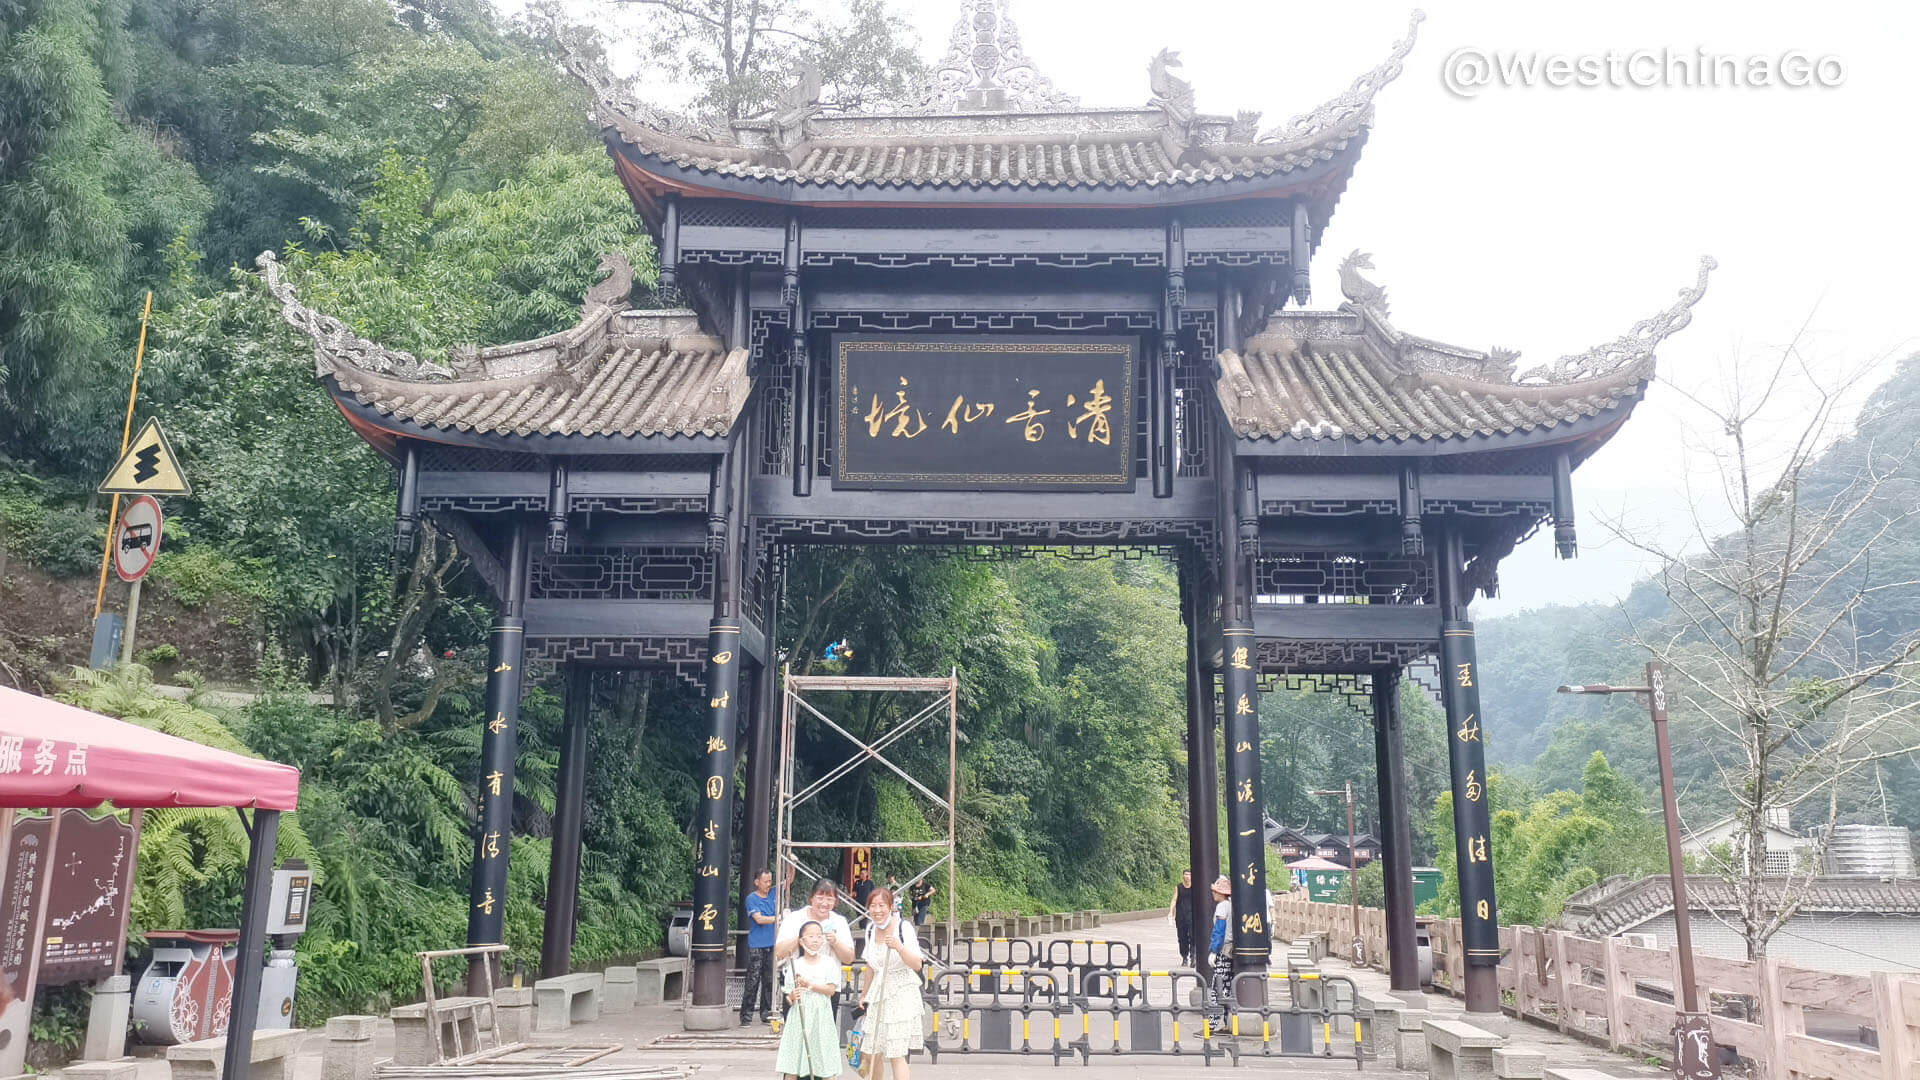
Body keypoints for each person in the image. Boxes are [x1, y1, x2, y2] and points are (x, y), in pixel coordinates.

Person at [856, 887, 924, 1080]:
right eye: (873, 906)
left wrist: (898, 947)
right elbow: (870, 965)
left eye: (881, 905)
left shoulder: (903, 928)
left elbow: (917, 964)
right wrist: (864, 994)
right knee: (871, 1051)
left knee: (895, 1053)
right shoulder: (870, 929)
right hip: (878, 993)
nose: (877, 910)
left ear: (891, 907)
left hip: (901, 992)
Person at [774, 921, 843, 1080]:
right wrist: (793, 995)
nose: (815, 940)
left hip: (821, 1017)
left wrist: (810, 985)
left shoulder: (829, 963)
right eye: (810, 936)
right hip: (800, 1016)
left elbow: (831, 990)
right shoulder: (795, 964)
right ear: (801, 941)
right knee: (795, 1059)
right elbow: (789, 997)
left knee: (824, 1058)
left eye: (819, 936)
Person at [776, 879, 855, 965]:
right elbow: (779, 952)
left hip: (829, 977)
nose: (824, 903)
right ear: (811, 898)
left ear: (835, 901)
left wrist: (835, 942)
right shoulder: (794, 918)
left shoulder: (839, 921)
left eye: (829, 899)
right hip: (798, 976)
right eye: (820, 898)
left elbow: (849, 959)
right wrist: (802, 936)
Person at [741, 869, 778, 1025]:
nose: (768, 884)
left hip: (772, 944)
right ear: (757, 882)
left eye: (770, 881)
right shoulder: (752, 898)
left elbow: (788, 881)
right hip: (757, 945)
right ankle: (746, 1016)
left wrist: (792, 862)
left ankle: (766, 1013)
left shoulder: (773, 893)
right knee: (753, 980)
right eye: (765, 881)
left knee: (769, 981)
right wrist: (779, 918)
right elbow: (759, 919)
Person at [1205, 875, 1233, 1027]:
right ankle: (1228, 1023)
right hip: (1231, 951)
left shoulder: (1222, 906)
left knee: (1217, 987)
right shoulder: (1230, 905)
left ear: (1221, 893)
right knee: (1228, 988)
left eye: (1215, 891)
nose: (1213, 893)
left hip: (1223, 950)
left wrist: (1214, 951)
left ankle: (1212, 1025)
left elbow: (1219, 930)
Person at [1168, 868, 1195, 965]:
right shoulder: (1178, 887)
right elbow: (1174, 900)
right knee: (1182, 938)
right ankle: (1184, 958)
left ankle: (1193, 957)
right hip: (1181, 917)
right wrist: (1171, 911)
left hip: (1192, 916)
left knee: (1193, 937)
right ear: (1183, 876)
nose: (1187, 876)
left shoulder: (1195, 887)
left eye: (1189, 874)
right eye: (1185, 874)